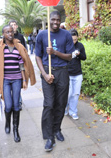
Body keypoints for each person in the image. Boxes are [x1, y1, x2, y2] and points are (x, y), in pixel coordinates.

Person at [35, 11, 75, 152]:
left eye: (58, 20)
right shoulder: (42, 35)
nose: (56, 22)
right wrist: (44, 74)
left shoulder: (66, 35)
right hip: (48, 71)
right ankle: (49, 136)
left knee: (61, 104)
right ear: (49, 20)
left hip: (63, 71)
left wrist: (55, 53)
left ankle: (57, 129)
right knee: (49, 104)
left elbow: (70, 57)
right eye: (53, 19)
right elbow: (38, 56)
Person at [0, 25, 36, 143]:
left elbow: (22, 64)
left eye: (11, 32)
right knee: (8, 105)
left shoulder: (19, 47)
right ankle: (7, 122)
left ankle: (16, 129)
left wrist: (25, 80)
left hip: (17, 79)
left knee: (16, 105)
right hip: (5, 80)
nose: (10, 34)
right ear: (3, 34)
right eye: (7, 32)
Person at [65, 29, 87, 120]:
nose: (74, 42)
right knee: (68, 93)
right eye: (72, 39)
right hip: (67, 73)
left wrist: (79, 54)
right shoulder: (65, 45)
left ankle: (73, 111)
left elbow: (84, 57)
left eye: (75, 39)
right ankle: (64, 108)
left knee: (76, 94)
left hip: (77, 73)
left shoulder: (80, 45)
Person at [9, 20, 27, 109]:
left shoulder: (20, 36)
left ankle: (18, 102)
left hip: (19, 63)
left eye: (14, 25)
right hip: (9, 65)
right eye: (11, 25)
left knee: (18, 84)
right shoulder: (7, 36)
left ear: (17, 26)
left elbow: (24, 49)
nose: (13, 26)